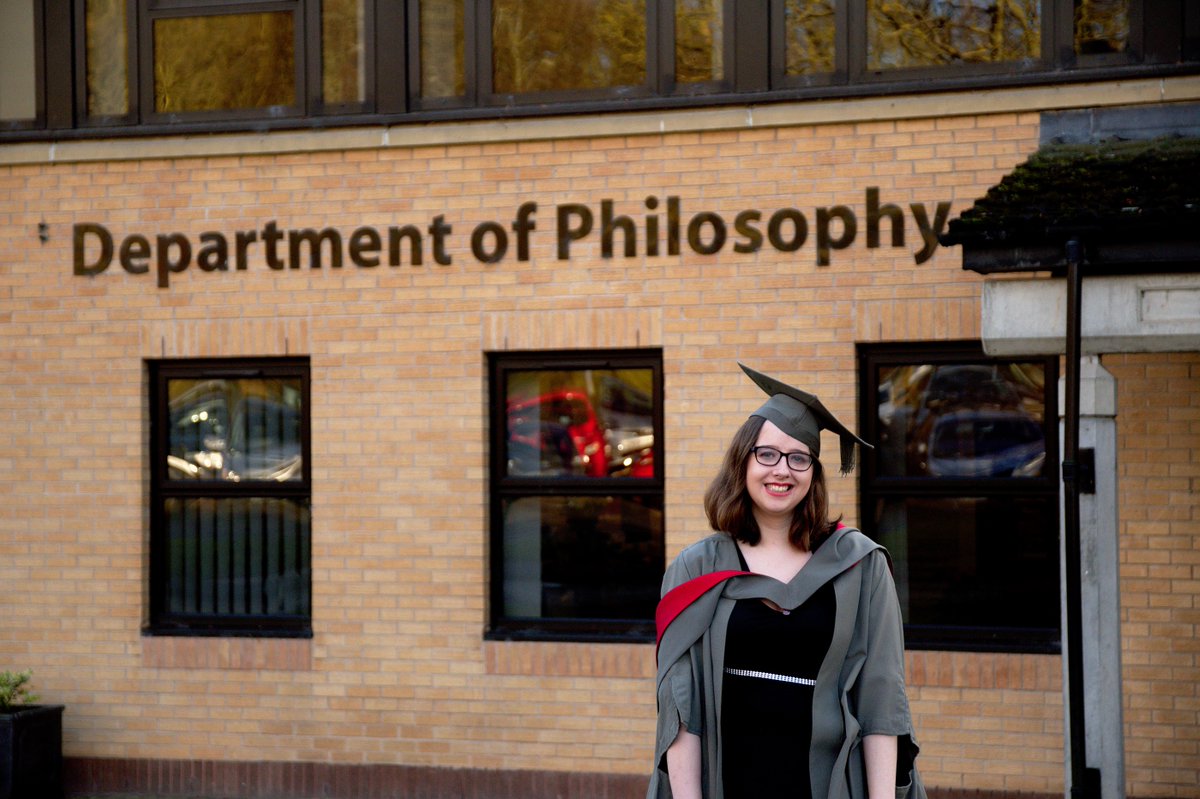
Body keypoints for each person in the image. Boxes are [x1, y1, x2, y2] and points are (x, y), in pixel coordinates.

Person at [648, 363, 924, 799]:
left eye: (799, 458)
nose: (783, 470)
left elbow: (882, 697)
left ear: (813, 472)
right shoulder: (695, 569)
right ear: (743, 462)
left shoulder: (861, 565)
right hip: (729, 781)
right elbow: (682, 706)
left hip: (831, 785)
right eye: (768, 454)